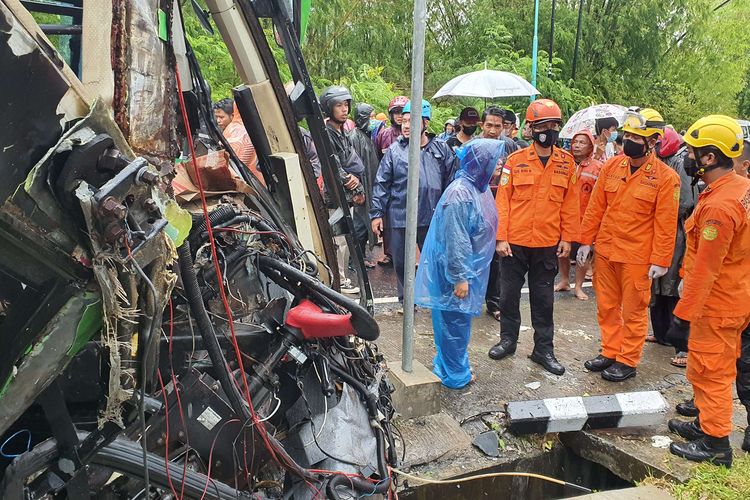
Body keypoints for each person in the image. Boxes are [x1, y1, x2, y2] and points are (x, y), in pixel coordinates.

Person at [665, 115, 750, 467]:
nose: (688, 156)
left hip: (715, 304)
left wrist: (682, 315)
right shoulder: (739, 187)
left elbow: (707, 268)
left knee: (709, 370)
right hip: (734, 297)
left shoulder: (719, 206)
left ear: (710, 157)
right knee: (718, 367)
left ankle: (716, 444)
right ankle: (705, 424)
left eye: (694, 151)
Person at [577, 108, 680, 382]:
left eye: (637, 136)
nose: (630, 140)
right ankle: (610, 351)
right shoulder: (612, 167)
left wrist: (661, 260)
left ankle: (627, 359)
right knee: (607, 306)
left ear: (653, 141)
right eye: (628, 135)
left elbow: (666, 223)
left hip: (637, 257)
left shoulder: (666, 178)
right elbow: (596, 207)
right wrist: (586, 241)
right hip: (607, 251)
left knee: (633, 311)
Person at [489, 98, 579, 376]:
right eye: (544, 125)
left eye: (554, 125)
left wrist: (567, 238)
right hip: (514, 242)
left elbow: (570, 203)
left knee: (543, 299)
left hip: (547, 243)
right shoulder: (514, 162)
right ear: (531, 128)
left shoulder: (566, 163)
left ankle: (543, 349)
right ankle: (508, 340)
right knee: (508, 296)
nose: (549, 130)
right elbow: (503, 201)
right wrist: (500, 238)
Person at [415, 139, 504, 389]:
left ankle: (447, 364)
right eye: (494, 158)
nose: (500, 163)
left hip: (466, 270)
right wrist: (460, 277)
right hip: (455, 273)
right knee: (454, 325)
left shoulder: (478, 188)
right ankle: (455, 375)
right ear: (479, 161)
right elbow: (456, 240)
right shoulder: (460, 194)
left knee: (454, 324)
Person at [370, 99, 458, 305]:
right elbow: (381, 183)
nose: (407, 125)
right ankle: (407, 301)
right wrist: (376, 214)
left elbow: (451, 183)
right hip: (400, 217)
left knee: (437, 260)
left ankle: (439, 298)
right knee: (402, 263)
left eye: (413, 121)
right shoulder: (394, 151)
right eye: (405, 121)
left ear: (425, 123)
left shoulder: (441, 150)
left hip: (432, 215)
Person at [648, 127, 693, 369]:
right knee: (655, 288)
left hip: (676, 231)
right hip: (657, 230)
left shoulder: (680, 162)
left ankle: (682, 345)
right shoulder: (654, 161)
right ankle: (661, 332)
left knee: (673, 285)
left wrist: (658, 209)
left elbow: (684, 202)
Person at [319, 85, 366, 294]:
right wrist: (349, 179)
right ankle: (339, 279)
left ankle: (342, 277)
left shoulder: (343, 133)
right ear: (329, 108)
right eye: (339, 105)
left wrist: (355, 181)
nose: (344, 109)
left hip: (346, 196)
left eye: (346, 104)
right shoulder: (327, 133)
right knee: (338, 240)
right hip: (334, 196)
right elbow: (333, 165)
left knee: (346, 239)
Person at [479, 106, 519, 321]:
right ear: (482, 125)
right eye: (489, 125)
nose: (493, 130)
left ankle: (494, 302)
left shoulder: (510, 146)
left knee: (497, 259)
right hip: (478, 207)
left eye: (498, 126)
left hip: (500, 208)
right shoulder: (474, 146)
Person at [555, 129, 602, 301]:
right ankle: (564, 281)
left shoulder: (597, 168)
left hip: (585, 218)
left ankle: (579, 286)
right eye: (575, 142)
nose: (577, 145)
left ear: (591, 146)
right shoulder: (563, 163)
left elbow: (599, 197)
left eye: (582, 142)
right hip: (564, 216)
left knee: (583, 254)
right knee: (562, 251)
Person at [351, 103, 381, 267]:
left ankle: (359, 258)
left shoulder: (365, 136)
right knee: (359, 225)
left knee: (362, 224)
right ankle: (356, 259)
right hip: (361, 191)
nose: (374, 120)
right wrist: (358, 190)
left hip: (367, 188)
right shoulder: (355, 138)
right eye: (371, 117)